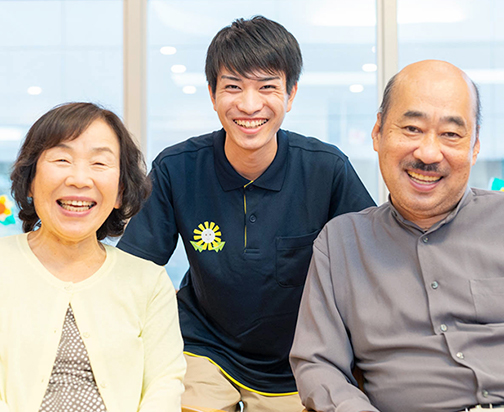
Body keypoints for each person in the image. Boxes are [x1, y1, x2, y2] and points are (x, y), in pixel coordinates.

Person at [117, 15, 375, 412]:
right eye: (233, 87)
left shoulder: (326, 169)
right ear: (212, 94)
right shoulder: (177, 168)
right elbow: (134, 270)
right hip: (203, 347)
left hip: (298, 358)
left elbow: (372, 264)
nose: (250, 105)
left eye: (267, 87)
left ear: (290, 94)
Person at [290, 59, 504, 412]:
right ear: (378, 133)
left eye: (451, 134)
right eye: (412, 128)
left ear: (475, 145)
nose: (428, 153)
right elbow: (318, 365)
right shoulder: (341, 243)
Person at [0, 103, 186, 412]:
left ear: (120, 191)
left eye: (99, 163)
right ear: (30, 180)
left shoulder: (149, 282)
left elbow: (164, 383)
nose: (80, 179)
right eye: (62, 159)